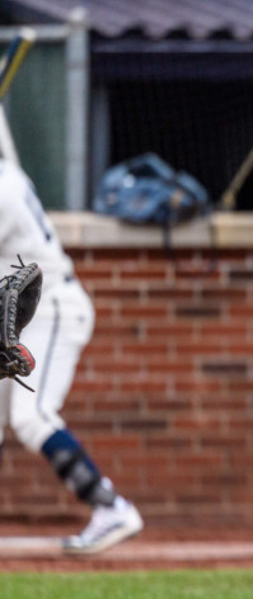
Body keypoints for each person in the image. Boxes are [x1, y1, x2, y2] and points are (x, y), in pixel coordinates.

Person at [0, 158, 143, 554]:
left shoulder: (3, 192)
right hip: (22, 311)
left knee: (33, 416)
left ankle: (111, 507)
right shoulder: (7, 171)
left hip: (49, 309)